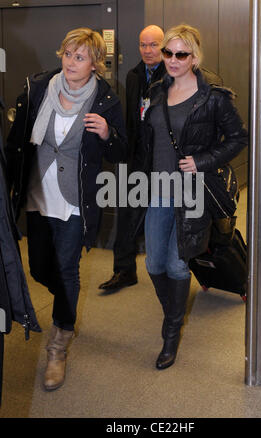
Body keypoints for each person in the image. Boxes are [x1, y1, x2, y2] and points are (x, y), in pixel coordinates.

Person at [5, 27, 127, 390]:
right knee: (41, 267)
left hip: (75, 200)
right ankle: (66, 308)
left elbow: (121, 153)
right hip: (37, 194)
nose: (70, 62)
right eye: (67, 54)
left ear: (95, 64)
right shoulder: (38, 89)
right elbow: (16, 144)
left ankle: (58, 344)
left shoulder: (106, 101)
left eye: (79, 57)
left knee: (68, 270)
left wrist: (107, 134)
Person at [133, 24, 248, 370]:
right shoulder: (155, 91)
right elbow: (148, 140)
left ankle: (170, 334)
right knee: (153, 263)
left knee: (176, 263)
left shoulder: (213, 97)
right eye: (168, 52)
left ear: (194, 57)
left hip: (192, 193)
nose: (172, 59)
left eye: (180, 54)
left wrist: (202, 161)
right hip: (157, 190)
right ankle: (174, 315)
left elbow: (238, 138)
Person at [98, 25, 166, 291]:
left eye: (153, 45)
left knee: (166, 218)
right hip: (136, 158)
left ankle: (172, 274)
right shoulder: (134, 75)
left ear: (164, 46)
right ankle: (124, 271)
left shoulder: (172, 75)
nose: (148, 51)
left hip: (162, 161)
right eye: (143, 44)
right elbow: (130, 117)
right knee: (126, 215)